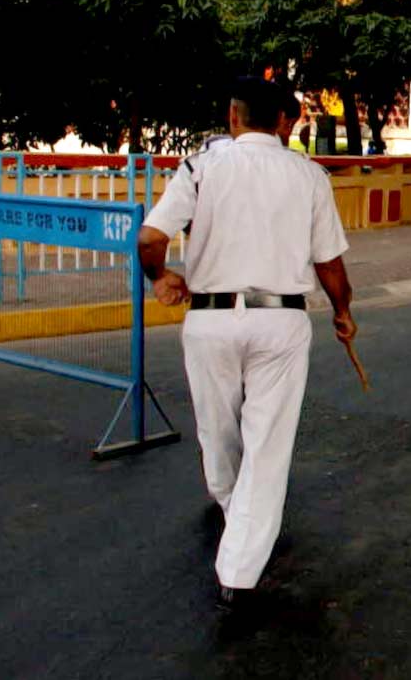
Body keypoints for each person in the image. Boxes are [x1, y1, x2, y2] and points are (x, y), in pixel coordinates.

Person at [137, 77, 356, 613]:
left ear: (234, 116)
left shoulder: (199, 167)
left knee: (218, 428)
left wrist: (159, 278)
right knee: (267, 443)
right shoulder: (309, 176)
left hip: (210, 320)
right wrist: (344, 311)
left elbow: (150, 239)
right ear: (284, 122)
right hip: (280, 322)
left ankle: (236, 522)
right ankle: (238, 566)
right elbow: (329, 263)